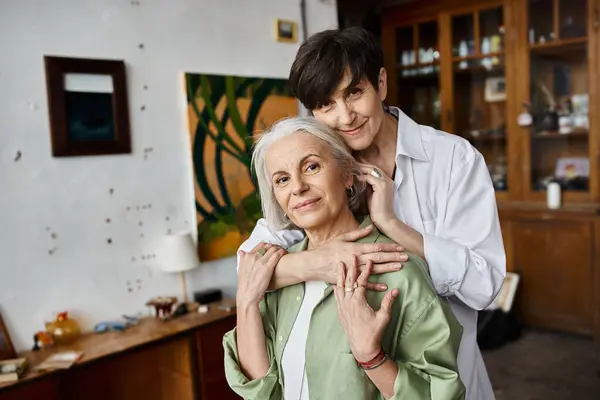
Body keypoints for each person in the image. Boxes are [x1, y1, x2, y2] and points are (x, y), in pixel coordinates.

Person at [237, 27, 506, 399]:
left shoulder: (453, 161)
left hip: (442, 382)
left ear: (380, 84)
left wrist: (391, 225)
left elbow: (485, 287)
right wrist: (322, 262)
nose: (345, 117)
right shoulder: (319, 173)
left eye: (354, 93)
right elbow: (248, 265)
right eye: (325, 105)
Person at [224, 116, 466, 399]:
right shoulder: (275, 273)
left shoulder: (398, 269)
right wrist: (246, 301)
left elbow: (441, 394)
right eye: (282, 179)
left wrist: (371, 357)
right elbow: (261, 391)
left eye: (311, 166)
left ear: (347, 174)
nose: (298, 187)